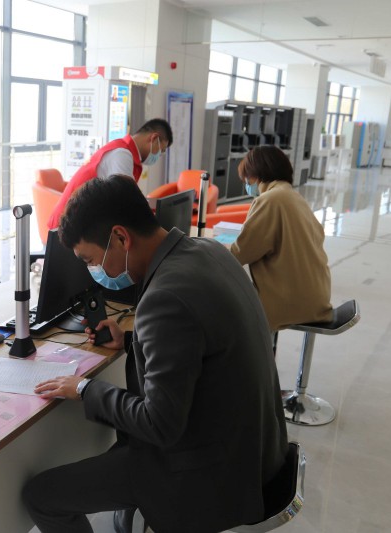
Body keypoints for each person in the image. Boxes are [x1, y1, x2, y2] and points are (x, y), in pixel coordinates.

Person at [22, 175, 288, 533]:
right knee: (117, 453)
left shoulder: (164, 298)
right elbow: (197, 339)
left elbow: (159, 424)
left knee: (41, 495)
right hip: (256, 452)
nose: (95, 272)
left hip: (209, 476)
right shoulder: (208, 252)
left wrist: (84, 389)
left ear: (121, 237)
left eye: (91, 260)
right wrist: (131, 340)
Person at [230, 145, 333, 333]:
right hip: (317, 299)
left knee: (217, 304)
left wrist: (210, 250)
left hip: (291, 303)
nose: (246, 183)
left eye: (246, 178)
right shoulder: (293, 196)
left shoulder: (270, 200)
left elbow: (240, 253)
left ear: (256, 175)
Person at [47, 118, 173, 229]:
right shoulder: (122, 154)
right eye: (160, 151)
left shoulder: (123, 149)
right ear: (153, 138)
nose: (158, 156)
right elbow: (126, 202)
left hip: (79, 222)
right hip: (65, 228)